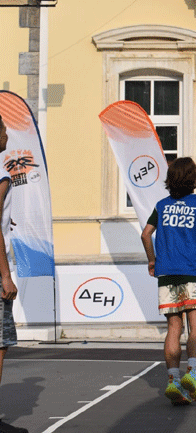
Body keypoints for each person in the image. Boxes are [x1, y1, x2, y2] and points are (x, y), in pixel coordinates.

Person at [141, 157, 196, 406]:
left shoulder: (161, 206)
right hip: (192, 273)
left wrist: (152, 260)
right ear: (194, 179)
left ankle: (173, 380)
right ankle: (194, 374)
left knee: (173, 328)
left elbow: (145, 234)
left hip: (167, 273)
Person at [0, 117, 26, 433]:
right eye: (4, 131)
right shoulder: (2, 174)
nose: (7, 135)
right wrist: (5, 275)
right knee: (0, 343)